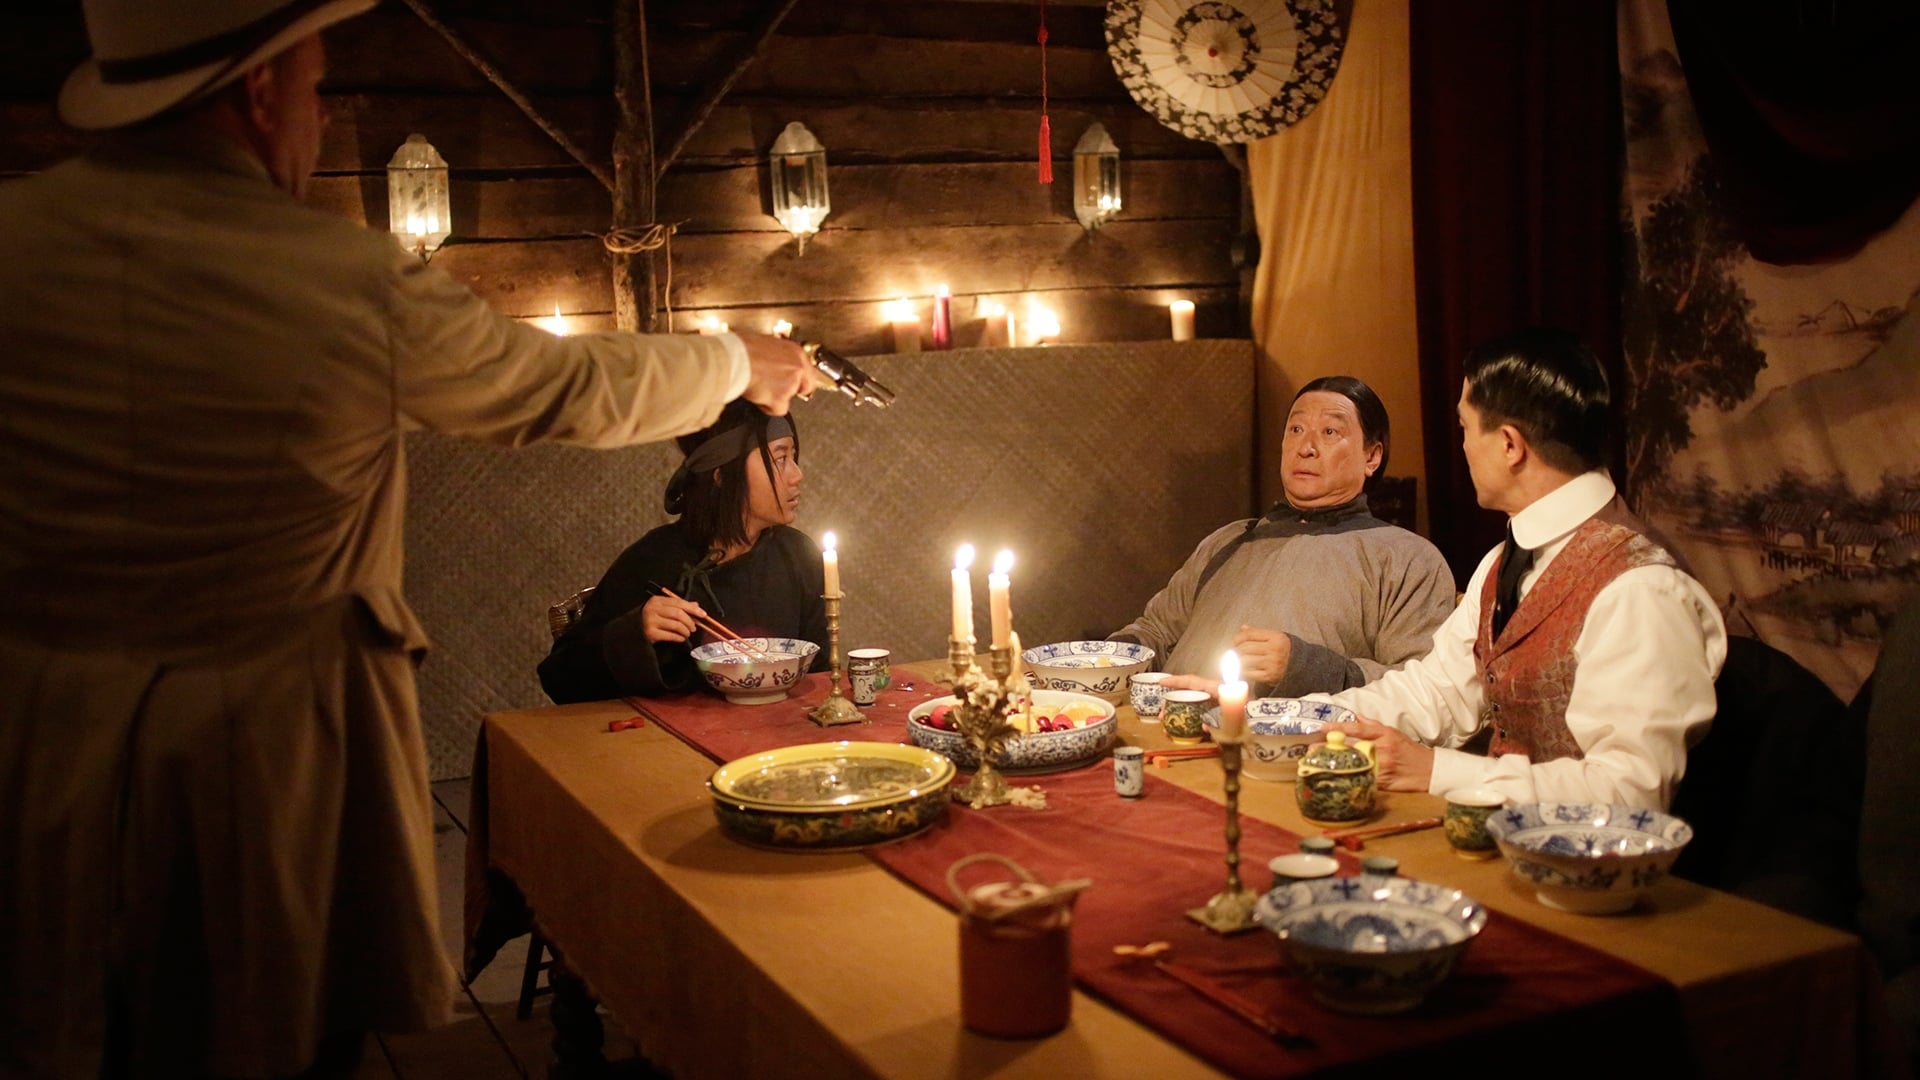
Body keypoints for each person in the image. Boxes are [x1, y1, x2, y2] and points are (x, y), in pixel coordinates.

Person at [0, 3, 815, 1077]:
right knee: (266, 1028)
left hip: (40, 743)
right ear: (261, 91)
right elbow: (553, 386)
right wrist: (734, 362)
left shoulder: (17, 243)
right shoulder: (332, 276)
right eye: (315, 86)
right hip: (261, 760)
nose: (316, 114)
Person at [1320, 328, 1726, 809]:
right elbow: (1436, 691)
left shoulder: (1641, 587)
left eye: (1466, 428)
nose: (1463, 446)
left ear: (1510, 445)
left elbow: (1633, 791)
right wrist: (1297, 718)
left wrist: (1435, 770)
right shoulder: (1504, 561)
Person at [1112, 376, 1456, 698]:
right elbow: (1155, 632)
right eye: (1296, 429)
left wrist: (1306, 668)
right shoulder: (1227, 540)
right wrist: (1105, 657)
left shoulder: (1406, 558)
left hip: (1284, 740)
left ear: (1372, 456)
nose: (1306, 447)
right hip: (1160, 726)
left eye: (1330, 431)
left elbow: (1424, 691)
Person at [539, 401, 830, 702]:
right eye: (780, 458)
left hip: (774, 727)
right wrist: (634, 633)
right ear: (722, 475)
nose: (797, 475)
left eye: (793, 456)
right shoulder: (654, 559)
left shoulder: (799, 556)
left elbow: (819, 676)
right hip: (667, 732)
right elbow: (559, 679)